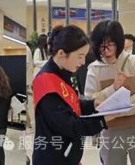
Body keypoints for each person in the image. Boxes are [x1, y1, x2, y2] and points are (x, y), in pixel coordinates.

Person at [32, 25, 107, 165]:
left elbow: (72, 104)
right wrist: (102, 121)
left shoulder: (62, 73)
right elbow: (69, 125)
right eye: (80, 56)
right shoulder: (46, 82)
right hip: (53, 159)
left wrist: (93, 105)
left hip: (66, 154)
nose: (83, 62)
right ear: (61, 53)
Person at [85, 20, 135, 165]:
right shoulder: (94, 69)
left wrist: (116, 109)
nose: (106, 50)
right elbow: (90, 100)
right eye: (101, 46)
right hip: (110, 130)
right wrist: (112, 89)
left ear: (119, 42)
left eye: (110, 44)